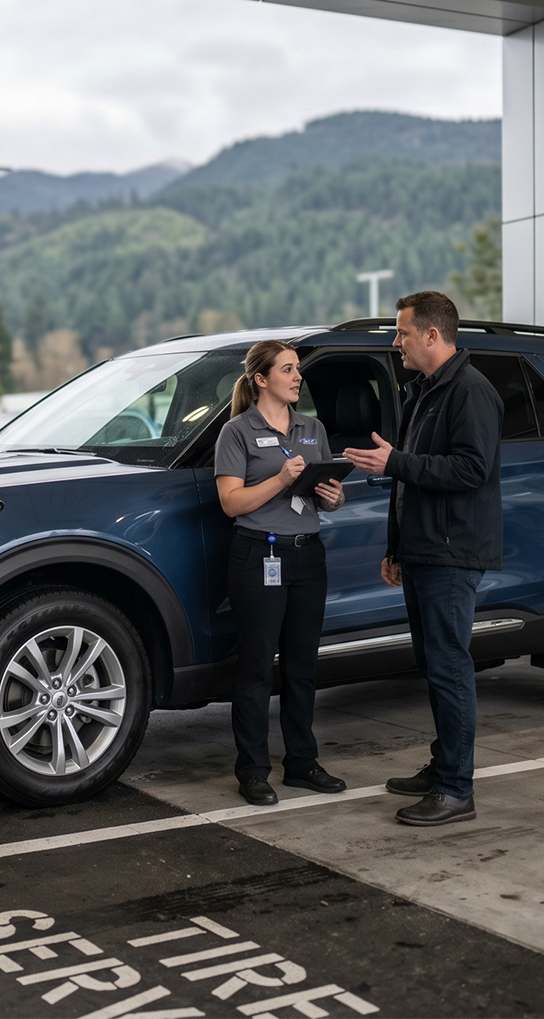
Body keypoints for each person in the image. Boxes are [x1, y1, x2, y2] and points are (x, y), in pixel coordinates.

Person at [342, 291, 502, 828]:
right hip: (423, 549)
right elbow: (406, 478)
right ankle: (444, 766)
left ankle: (457, 790)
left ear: (432, 335)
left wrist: (396, 462)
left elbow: (471, 470)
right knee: (436, 666)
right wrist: (396, 547)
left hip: (452, 553)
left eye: (403, 333)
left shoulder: (471, 391)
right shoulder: (423, 392)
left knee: (450, 667)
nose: (397, 342)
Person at [213, 340, 348, 806]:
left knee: (302, 667)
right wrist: (280, 479)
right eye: (287, 369)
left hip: (308, 556)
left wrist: (334, 497)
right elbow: (231, 502)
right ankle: (252, 770)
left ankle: (302, 763)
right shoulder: (237, 432)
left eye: (297, 369)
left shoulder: (313, 428)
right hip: (259, 555)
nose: (297, 377)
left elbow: (327, 495)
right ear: (261, 379)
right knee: (255, 668)